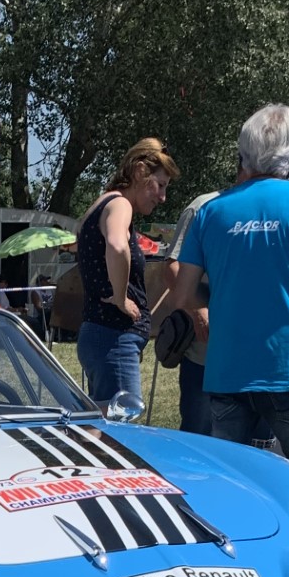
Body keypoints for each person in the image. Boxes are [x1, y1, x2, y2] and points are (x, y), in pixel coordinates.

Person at [170, 105, 289, 474]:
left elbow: (182, 293)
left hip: (226, 372)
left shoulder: (211, 211)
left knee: (229, 477)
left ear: (244, 152)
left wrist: (221, 299)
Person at [76, 138, 179, 409]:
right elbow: (117, 245)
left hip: (106, 336)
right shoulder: (120, 204)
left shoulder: (104, 204)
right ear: (139, 172)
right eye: (160, 185)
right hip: (113, 335)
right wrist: (121, 299)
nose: (163, 197)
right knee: (123, 425)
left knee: (103, 424)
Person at [161, 187, 220, 436]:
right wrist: (198, 310)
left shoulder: (272, 207)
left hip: (254, 359)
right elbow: (172, 267)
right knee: (198, 439)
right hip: (205, 355)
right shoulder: (203, 206)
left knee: (252, 449)